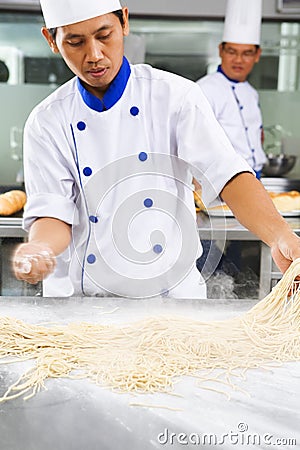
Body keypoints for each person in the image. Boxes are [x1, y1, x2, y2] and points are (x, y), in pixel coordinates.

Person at [13, 0, 300, 299]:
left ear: (124, 22)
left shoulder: (175, 97)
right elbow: (54, 214)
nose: (94, 55)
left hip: (172, 301)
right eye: (75, 42)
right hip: (83, 305)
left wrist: (279, 235)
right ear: (51, 40)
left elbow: (227, 175)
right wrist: (40, 248)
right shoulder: (47, 121)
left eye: (104, 35)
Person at [196, 0, 266, 179]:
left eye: (247, 53)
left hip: (255, 177)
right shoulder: (204, 89)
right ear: (221, 50)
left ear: (257, 55)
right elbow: (195, 142)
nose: (239, 60)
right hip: (223, 181)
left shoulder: (252, 94)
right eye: (232, 52)